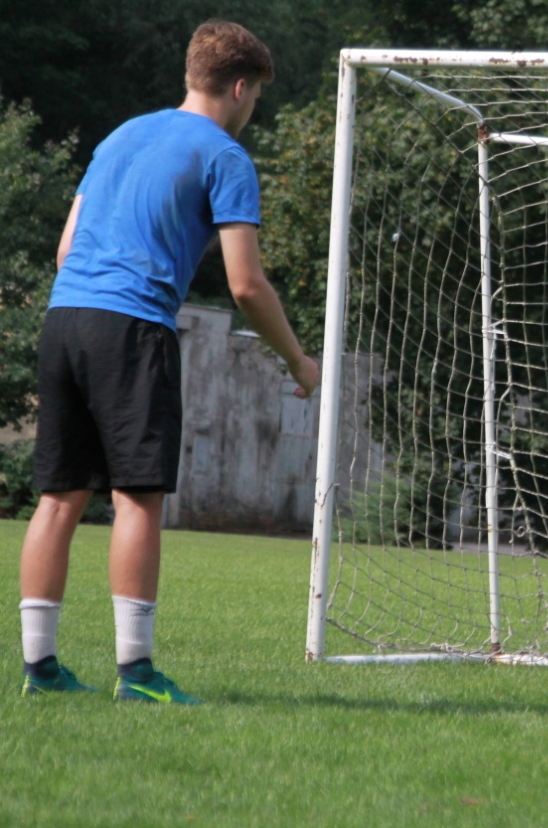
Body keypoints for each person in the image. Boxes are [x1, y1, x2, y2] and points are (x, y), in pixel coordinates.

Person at [18, 20, 320, 704]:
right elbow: (245, 285)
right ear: (240, 87)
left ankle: (40, 671)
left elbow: (67, 250)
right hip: (132, 329)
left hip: (65, 319)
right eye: (256, 99)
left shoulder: (120, 135)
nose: (251, 112)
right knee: (136, 499)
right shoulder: (225, 155)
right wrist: (299, 360)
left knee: (59, 498)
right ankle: (138, 675)